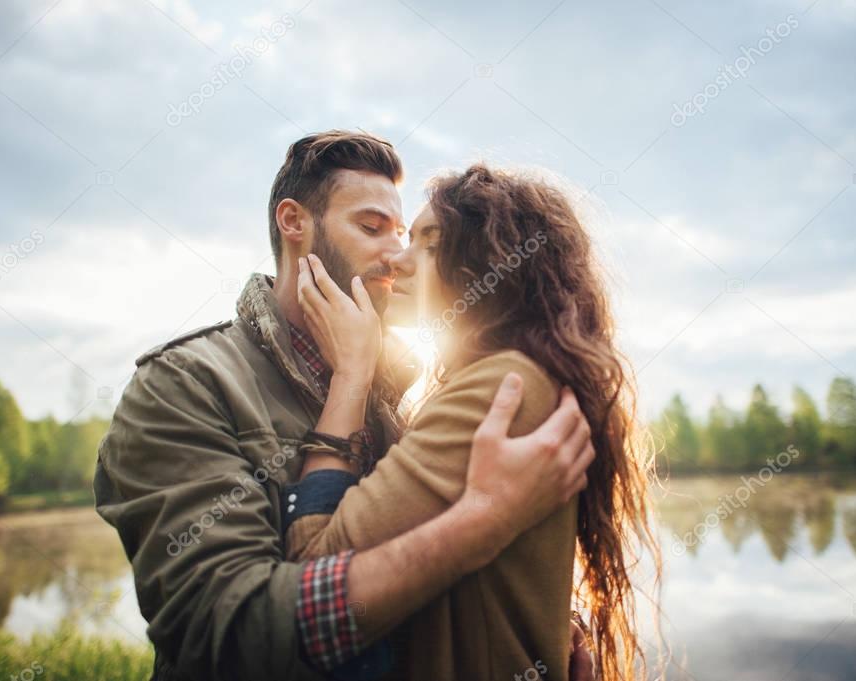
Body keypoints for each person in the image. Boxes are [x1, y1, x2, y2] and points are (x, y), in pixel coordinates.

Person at [94, 131, 597, 681]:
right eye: (371, 227)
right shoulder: (186, 385)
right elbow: (231, 635)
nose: (395, 254)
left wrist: (543, 631)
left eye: (406, 235)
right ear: (294, 223)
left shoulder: (406, 396)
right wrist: (483, 523)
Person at [286, 163, 662, 681]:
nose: (397, 259)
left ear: (492, 263)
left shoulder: (499, 392)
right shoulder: (522, 380)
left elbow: (312, 576)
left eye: (428, 242)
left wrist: (351, 376)